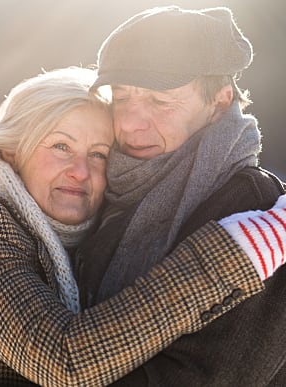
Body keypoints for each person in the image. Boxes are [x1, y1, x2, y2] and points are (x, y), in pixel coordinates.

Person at [0, 67, 286, 387]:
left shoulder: (83, 239)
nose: (81, 171)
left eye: (99, 154)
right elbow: (64, 359)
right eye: (60, 146)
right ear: (11, 149)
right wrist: (238, 251)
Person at [75, 6, 286, 385]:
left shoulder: (254, 209)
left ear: (219, 101)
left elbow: (202, 377)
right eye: (121, 97)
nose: (129, 123)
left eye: (160, 100)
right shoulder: (102, 188)